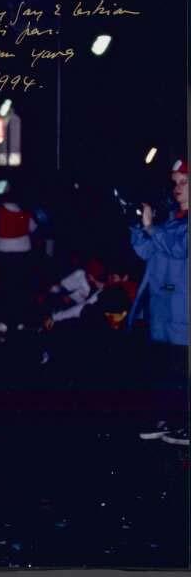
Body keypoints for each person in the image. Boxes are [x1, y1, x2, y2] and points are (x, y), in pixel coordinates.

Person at [132, 159, 188, 445]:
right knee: (165, 367)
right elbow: (144, 251)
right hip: (163, 307)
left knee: (182, 367)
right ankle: (167, 419)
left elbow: (179, 249)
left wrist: (152, 228)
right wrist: (138, 222)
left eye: (184, 182)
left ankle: (185, 424)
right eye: (175, 182)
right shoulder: (171, 220)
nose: (177, 188)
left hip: (183, 309)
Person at [0, 187, 37, 334]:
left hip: (5, 254)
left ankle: (4, 322)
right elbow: (32, 228)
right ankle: (20, 321)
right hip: (23, 254)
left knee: (5, 287)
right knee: (21, 287)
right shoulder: (24, 213)